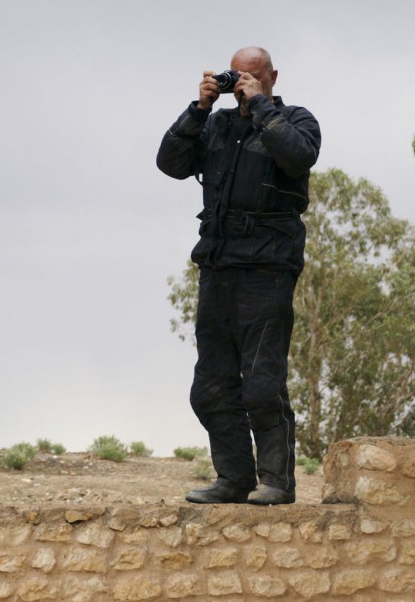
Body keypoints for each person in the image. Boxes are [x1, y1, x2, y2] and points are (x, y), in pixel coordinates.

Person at [156, 47, 321, 505]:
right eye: (237, 76)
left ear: (271, 76)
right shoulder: (216, 125)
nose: (242, 83)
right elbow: (169, 163)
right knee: (209, 387)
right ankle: (233, 479)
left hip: (267, 271)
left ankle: (277, 482)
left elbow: (298, 157)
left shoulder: (296, 119)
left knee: (262, 385)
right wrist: (200, 107)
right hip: (218, 267)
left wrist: (262, 107)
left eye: (252, 75)